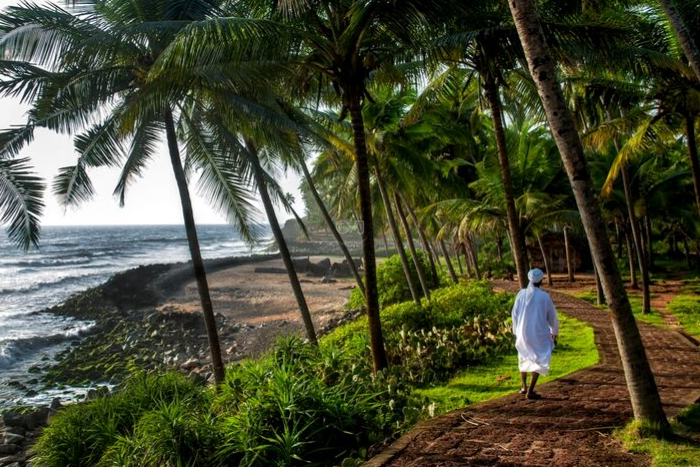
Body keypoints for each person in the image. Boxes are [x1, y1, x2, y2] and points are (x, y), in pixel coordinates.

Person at [511, 268, 559, 400]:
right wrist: (554, 332)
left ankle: (523, 387)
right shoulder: (545, 297)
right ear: (541, 281)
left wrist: (516, 331)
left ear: (529, 279)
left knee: (523, 355)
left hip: (521, 332)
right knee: (540, 357)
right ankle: (530, 391)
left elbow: (514, 314)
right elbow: (552, 317)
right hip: (538, 333)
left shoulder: (521, 294)